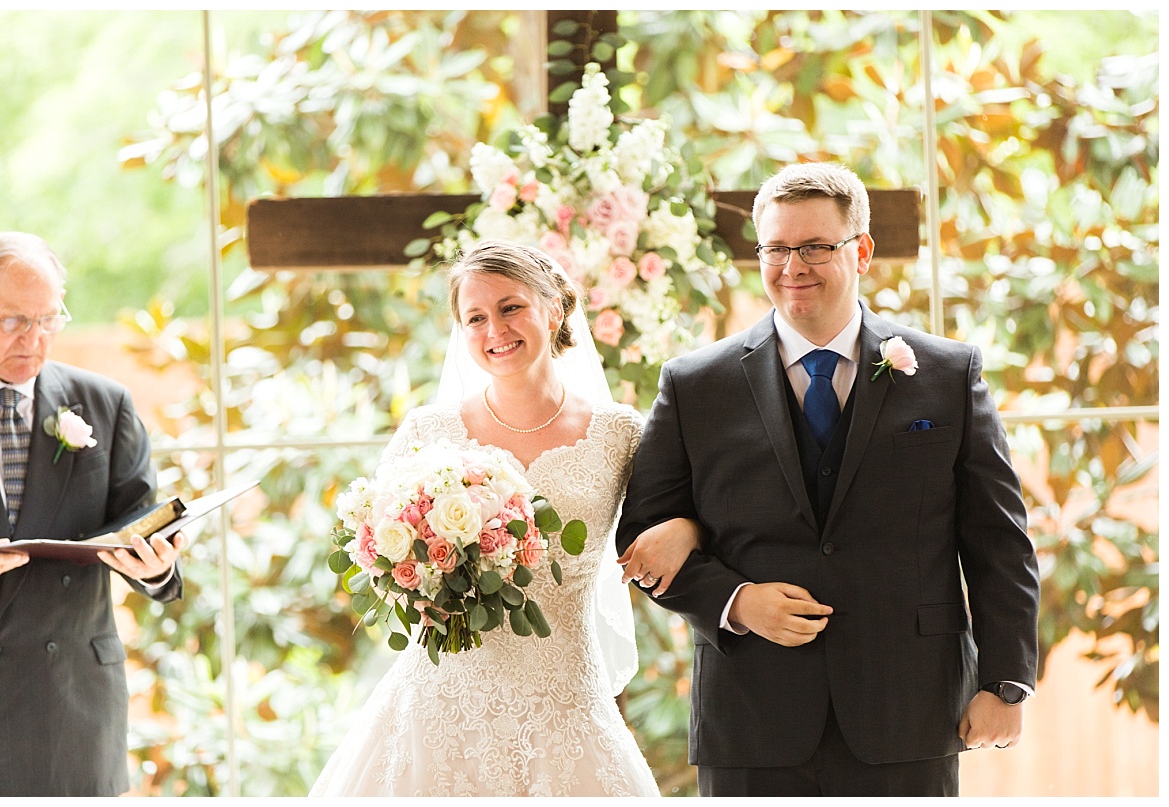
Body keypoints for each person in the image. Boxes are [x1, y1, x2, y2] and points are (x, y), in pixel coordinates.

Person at [615, 162, 1040, 797]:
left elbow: (999, 539)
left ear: (862, 251)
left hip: (909, 708)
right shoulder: (695, 384)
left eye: (816, 246)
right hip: (752, 714)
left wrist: (1005, 681)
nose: (794, 266)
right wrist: (736, 603)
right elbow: (643, 541)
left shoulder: (947, 374)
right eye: (777, 248)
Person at [310, 240, 698, 796]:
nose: (495, 329)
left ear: (555, 309)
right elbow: (373, 552)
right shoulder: (427, 432)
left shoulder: (619, 433)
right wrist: (421, 572)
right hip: (441, 704)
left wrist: (690, 527)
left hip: (566, 697)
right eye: (475, 317)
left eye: (511, 307)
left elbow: (679, 513)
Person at [0, 232, 186, 797]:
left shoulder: (105, 403)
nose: (35, 339)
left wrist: (155, 565)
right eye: (15, 320)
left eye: (49, 320)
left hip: (71, 702)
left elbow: (142, 518)